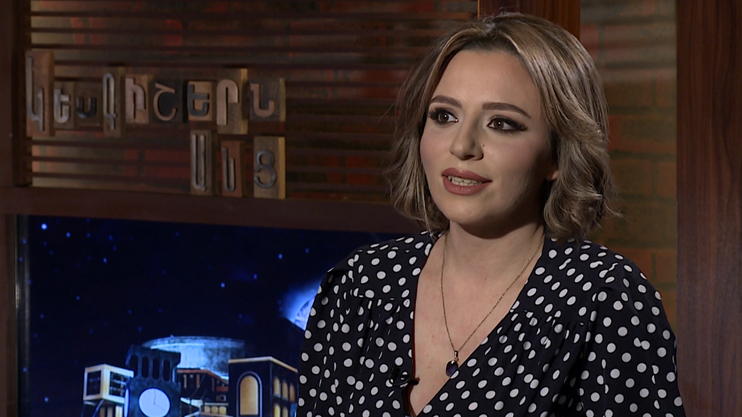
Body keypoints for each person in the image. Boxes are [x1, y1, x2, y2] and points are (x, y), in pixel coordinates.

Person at [298, 12, 686, 417]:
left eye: (501, 123)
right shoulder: (362, 285)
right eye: (444, 116)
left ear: (557, 154)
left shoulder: (605, 299)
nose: (462, 146)